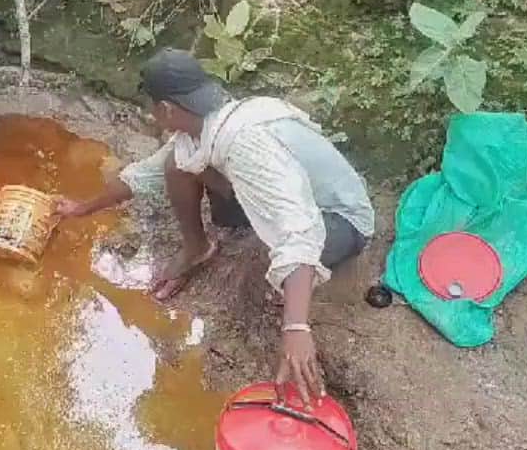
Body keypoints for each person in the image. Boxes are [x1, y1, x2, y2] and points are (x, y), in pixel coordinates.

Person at [56, 48, 375, 401]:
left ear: (165, 110)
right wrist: (80, 208)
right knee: (177, 166)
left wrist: (296, 326)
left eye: (152, 106)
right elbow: (143, 175)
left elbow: (298, 229)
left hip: (339, 219)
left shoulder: (245, 144)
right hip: (290, 198)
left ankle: (289, 301)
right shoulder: (204, 127)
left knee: (265, 264)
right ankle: (197, 248)